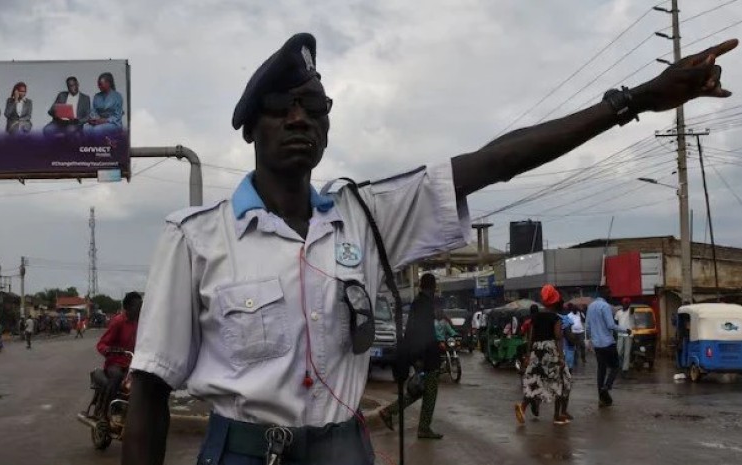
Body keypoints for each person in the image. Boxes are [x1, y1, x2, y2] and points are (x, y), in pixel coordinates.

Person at [124, 33, 736, 465]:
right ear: (250, 128)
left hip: (345, 448)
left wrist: (632, 102)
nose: (300, 119)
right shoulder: (195, 237)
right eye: (282, 108)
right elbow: (150, 388)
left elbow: (493, 161)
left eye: (314, 107)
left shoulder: (365, 217)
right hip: (242, 453)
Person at [380, 274, 444, 439]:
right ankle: (423, 428)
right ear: (433, 286)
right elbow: (423, 332)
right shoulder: (424, 304)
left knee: (418, 390)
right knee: (429, 392)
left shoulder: (419, 302)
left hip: (420, 354)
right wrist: (421, 358)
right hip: (427, 356)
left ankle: (389, 411)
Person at [515, 284, 572, 426]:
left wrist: (528, 356)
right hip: (550, 350)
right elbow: (558, 337)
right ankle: (557, 415)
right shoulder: (556, 318)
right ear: (556, 301)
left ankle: (522, 407)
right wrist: (561, 357)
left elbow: (530, 337)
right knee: (562, 380)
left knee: (535, 380)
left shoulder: (535, 318)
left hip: (536, 350)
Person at [95, 292, 141, 421]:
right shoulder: (118, 322)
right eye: (137, 306)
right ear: (128, 307)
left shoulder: (138, 323)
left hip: (131, 364)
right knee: (117, 377)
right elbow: (101, 344)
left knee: (142, 381)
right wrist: (110, 350)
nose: (139, 309)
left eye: (141, 306)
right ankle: (106, 413)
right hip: (115, 363)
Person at [586, 291, 631, 407]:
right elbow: (611, 325)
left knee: (601, 370)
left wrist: (589, 341)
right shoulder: (605, 306)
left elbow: (588, 326)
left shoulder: (590, 307)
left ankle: (601, 399)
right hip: (608, 343)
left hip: (597, 345)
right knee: (615, 366)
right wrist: (625, 330)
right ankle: (607, 386)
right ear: (605, 296)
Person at [83, 72, 123, 140]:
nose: (99, 86)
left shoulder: (117, 96)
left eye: (100, 84)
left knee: (97, 129)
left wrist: (104, 120)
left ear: (108, 83)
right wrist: (94, 119)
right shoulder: (97, 96)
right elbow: (93, 111)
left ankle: (101, 145)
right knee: (86, 127)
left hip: (113, 123)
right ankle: (91, 145)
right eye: (98, 84)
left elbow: (117, 116)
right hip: (99, 121)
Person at [614, 298, 636, 376]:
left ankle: (625, 369)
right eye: (624, 303)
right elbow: (615, 322)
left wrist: (631, 308)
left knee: (627, 353)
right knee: (619, 352)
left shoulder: (631, 311)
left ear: (629, 304)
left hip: (629, 335)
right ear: (622, 304)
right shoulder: (618, 312)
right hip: (620, 334)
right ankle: (620, 365)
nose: (626, 304)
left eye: (627, 303)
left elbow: (632, 310)